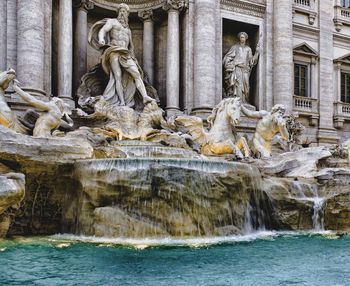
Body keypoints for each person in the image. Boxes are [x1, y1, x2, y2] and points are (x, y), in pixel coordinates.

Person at [88, 3, 155, 108]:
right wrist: (101, 38)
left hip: (126, 54)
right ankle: (122, 102)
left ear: (127, 14)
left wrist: (133, 57)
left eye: (124, 11)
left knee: (136, 74)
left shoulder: (128, 30)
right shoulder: (112, 22)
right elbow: (103, 30)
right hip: (114, 51)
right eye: (121, 11)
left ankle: (145, 96)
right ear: (118, 12)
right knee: (117, 77)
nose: (122, 13)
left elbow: (131, 46)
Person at [223, 32, 260, 103]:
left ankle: (245, 101)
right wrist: (232, 63)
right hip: (237, 68)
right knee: (238, 84)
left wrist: (257, 52)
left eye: (243, 37)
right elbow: (228, 57)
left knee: (246, 86)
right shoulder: (235, 47)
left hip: (245, 69)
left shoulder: (248, 49)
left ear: (246, 38)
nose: (242, 39)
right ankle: (238, 101)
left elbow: (251, 61)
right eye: (241, 37)